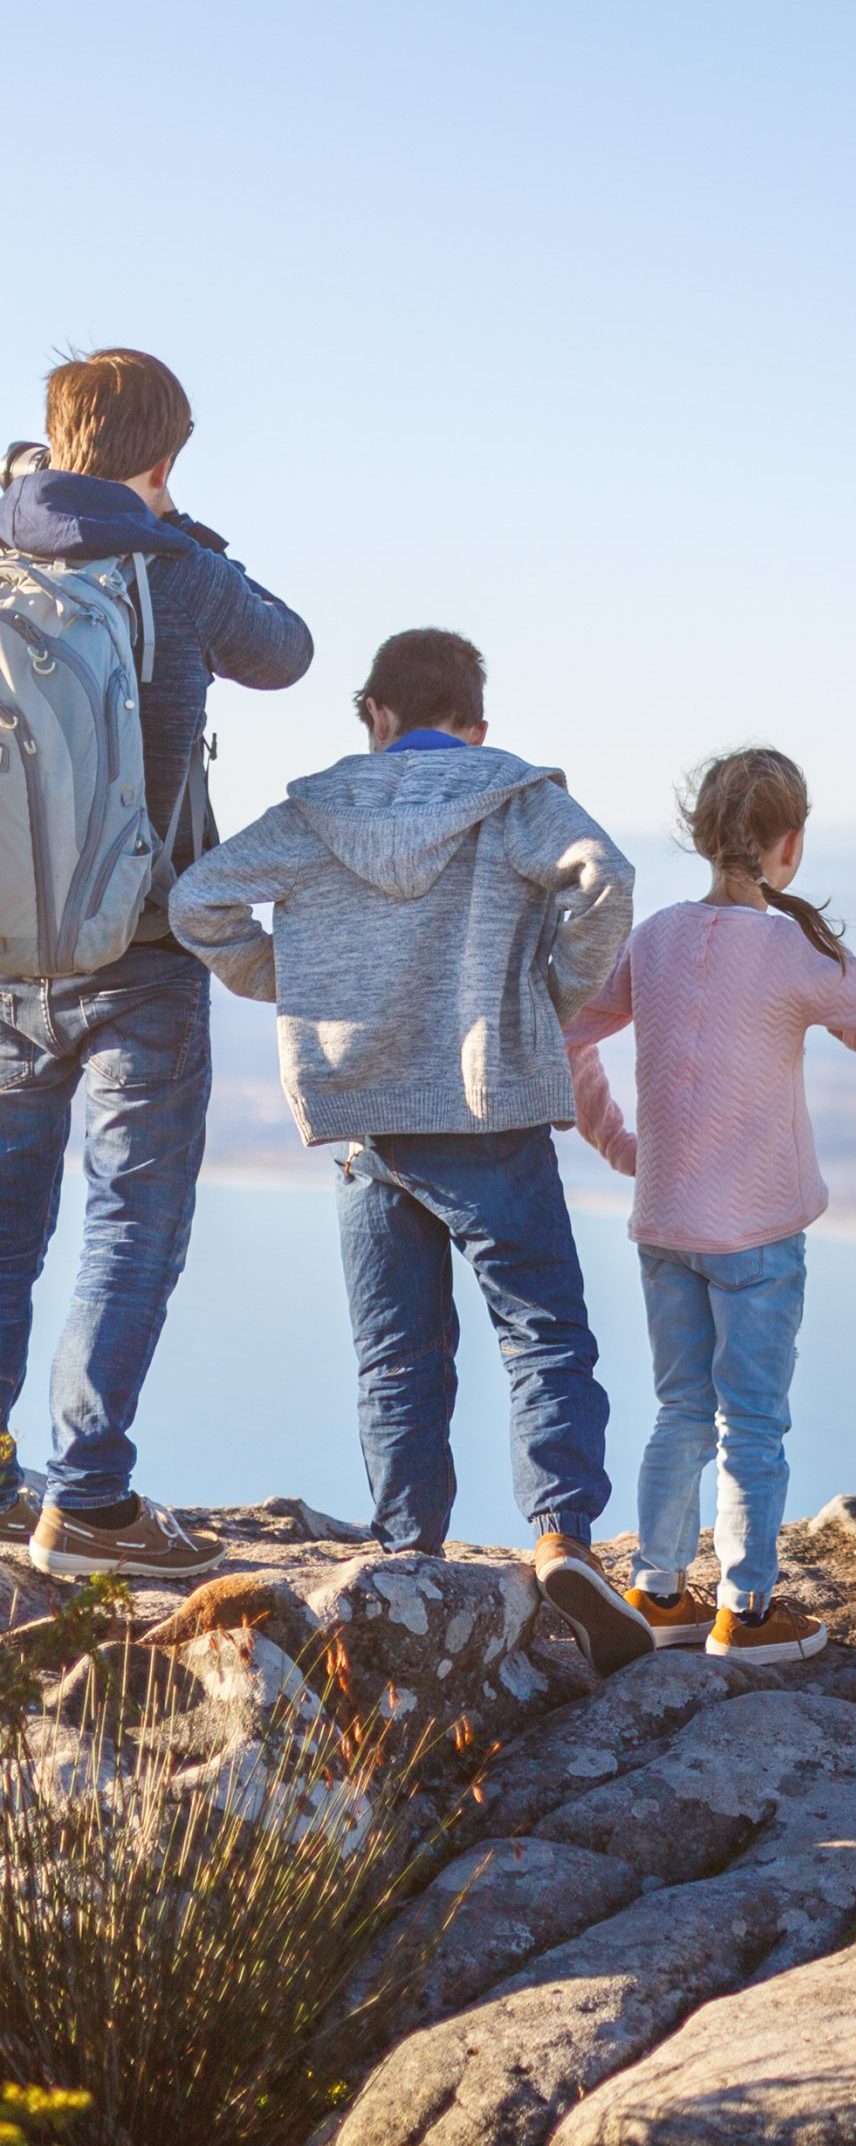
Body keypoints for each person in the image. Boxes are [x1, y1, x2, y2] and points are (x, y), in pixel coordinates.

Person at [169, 629, 655, 1672]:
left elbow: (197, 897)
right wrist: (548, 996)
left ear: (373, 714)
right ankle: (564, 1534)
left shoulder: (314, 811)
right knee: (541, 1332)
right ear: (477, 725)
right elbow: (604, 877)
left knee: (398, 1353)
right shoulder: (513, 795)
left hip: (365, 1119)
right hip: (491, 1112)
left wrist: (293, 983)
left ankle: (405, 1556)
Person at [0, 348, 313, 1578]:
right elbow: (286, 649)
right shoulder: (174, 569)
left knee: (4, 1227)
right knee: (132, 1223)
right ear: (165, 454)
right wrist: (183, 532)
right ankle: (89, 1499)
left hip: (6, 958)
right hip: (143, 953)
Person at [564, 748, 856, 1665]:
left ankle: (655, 1592)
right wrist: (839, 1007)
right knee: (752, 1424)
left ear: (700, 837)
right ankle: (748, 1611)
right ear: (790, 844)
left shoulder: (653, 939)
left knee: (679, 1411)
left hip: (664, 1222)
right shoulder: (791, 951)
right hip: (758, 1234)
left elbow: (570, 1037)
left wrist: (622, 1147)